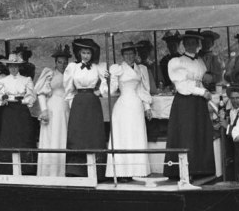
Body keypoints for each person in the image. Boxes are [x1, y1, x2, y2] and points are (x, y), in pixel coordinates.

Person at [163, 29, 215, 180]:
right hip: (186, 101)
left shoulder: (199, 61)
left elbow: (200, 81)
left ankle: (201, 168)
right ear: (184, 44)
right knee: (187, 134)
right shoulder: (177, 62)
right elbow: (182, 85)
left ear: (198, 44)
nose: (191, 45)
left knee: (199, 133)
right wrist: (201, 92)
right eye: (188, 42)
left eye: (194, 42)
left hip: (198, 102)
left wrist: (205, 92)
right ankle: (186, 171)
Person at [105, 42, 153, 181]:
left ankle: (137, 170)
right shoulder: (117, 69)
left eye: (132, 53)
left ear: (135, 54)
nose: (129, 56)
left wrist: (147, 107)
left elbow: (142, 89)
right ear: (122, 55)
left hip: (136, 106)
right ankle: (122, 172)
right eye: (126, 54)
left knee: (135, 136)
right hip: (123, 106)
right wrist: (108, 80)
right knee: (123, 137)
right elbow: (110, 90)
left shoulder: (141, 69)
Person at [64, 37, 107, 179]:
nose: (86, 56)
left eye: (88, 53)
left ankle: (96, 171)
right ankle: (76, 170)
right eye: (83, 53)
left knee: (93, 134)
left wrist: (100, 91)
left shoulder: (97, 67)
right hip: (78, 103)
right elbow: (68, 89)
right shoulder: (73, 67)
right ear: (79, 53)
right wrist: (72, 104)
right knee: (78, 134)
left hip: (92, 102)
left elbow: (106, 86)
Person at [0, 53, 37, 174]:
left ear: (19, 67)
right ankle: (7, 170)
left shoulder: (26, 80)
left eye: (16, 66)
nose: (13, 69)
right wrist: (2, 100)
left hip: (21, 111)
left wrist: (23, 100)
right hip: (8, 111)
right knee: (9, 138)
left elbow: (32, 97)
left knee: (23, 137)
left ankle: (26, 169)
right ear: (8, 67)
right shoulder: (3, 80)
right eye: (11, 66)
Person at [35, 46, 71, 178]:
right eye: (60, 62)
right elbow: (40, 93)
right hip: (53, 108)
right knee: (52, 137)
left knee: (63, 137)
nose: (63, 65)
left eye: (65, 62)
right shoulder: (50, 74)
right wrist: (44, 110)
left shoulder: (70, 74)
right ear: (55, 63)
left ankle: (62, 172)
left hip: (66, 108)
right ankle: (49, 173)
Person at [219, 83, 239, 180]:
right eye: (232, 98)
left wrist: (227, 126)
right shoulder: (231, 110)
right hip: (234, 147)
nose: (235, 101)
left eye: (237, 98)